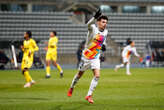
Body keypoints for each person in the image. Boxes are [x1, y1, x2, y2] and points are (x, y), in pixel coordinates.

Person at [67, 9, 108, 104]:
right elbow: (87, 25)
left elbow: (102, 41)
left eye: (106, 22)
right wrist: (94, 17)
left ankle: (89, 95)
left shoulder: (106, 32)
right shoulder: (93, 27)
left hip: (95, 57)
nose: (105, 24)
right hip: (86, 56)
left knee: (97, 76)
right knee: (79, 75)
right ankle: (72, 87)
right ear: (98, 22)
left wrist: (104, 46)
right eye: (103, 22)